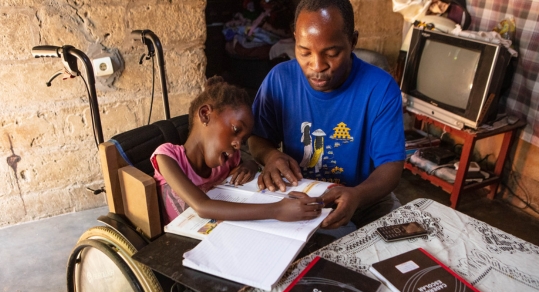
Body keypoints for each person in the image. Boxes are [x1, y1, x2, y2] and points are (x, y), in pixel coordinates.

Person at [248, 0, 406, 233]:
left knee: (400, 246)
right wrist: (271, 155)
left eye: (332, 53)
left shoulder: (380, 88)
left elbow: (391, 165)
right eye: (304, 52)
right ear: (295, 40)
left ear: (352, 42)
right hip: (301, 194)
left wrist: (358, 195)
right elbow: (256, 138)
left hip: (364, 194)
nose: (317, 66)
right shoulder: (280, 80)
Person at [151, 76, 324, 225]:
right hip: (175, 248)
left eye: (242, 140)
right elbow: (202, 207)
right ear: (205, 114)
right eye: (235, 130)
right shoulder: (167, 156)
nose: (237, 145)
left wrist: (249, 165)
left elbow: (246, 166)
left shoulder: (228, 161)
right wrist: (277, 210)